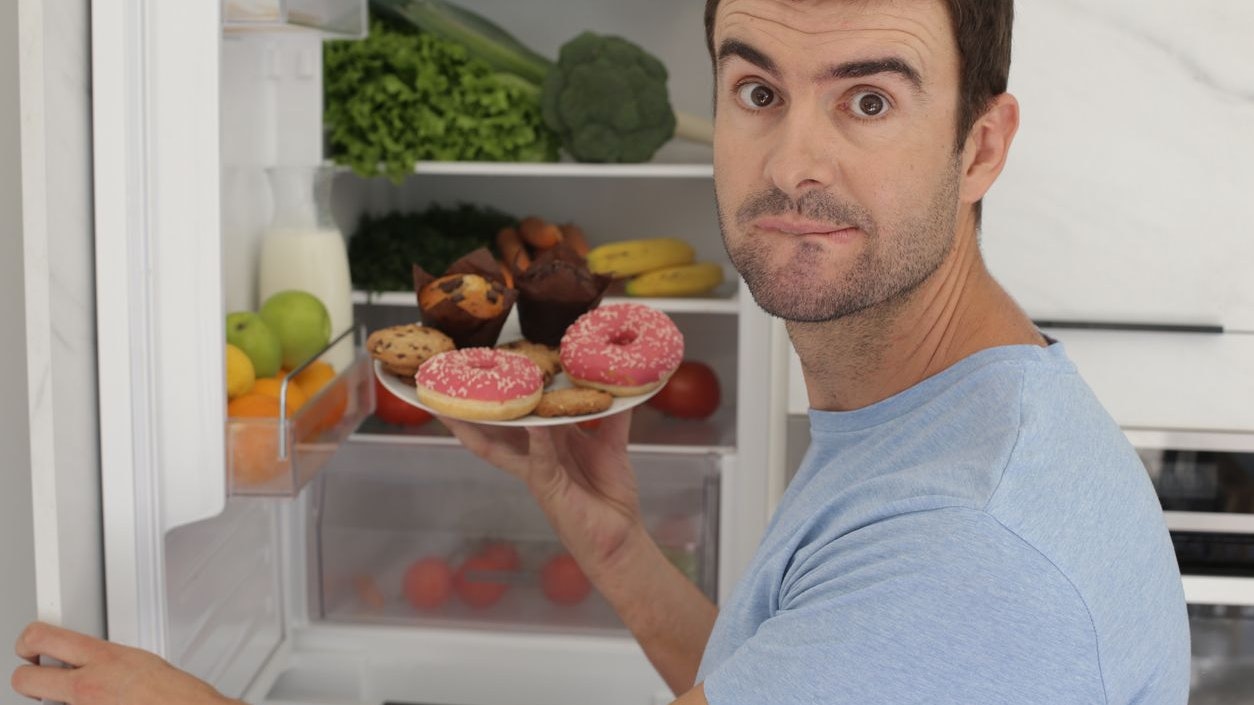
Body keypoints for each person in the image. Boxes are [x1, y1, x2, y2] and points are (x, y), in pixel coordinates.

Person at [12, 0, 1191, 703]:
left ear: (981, 147)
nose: (792, 163)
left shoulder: (966, 555)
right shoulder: (953, 410)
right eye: (757, 88)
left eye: (868, 101)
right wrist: (620, 547)